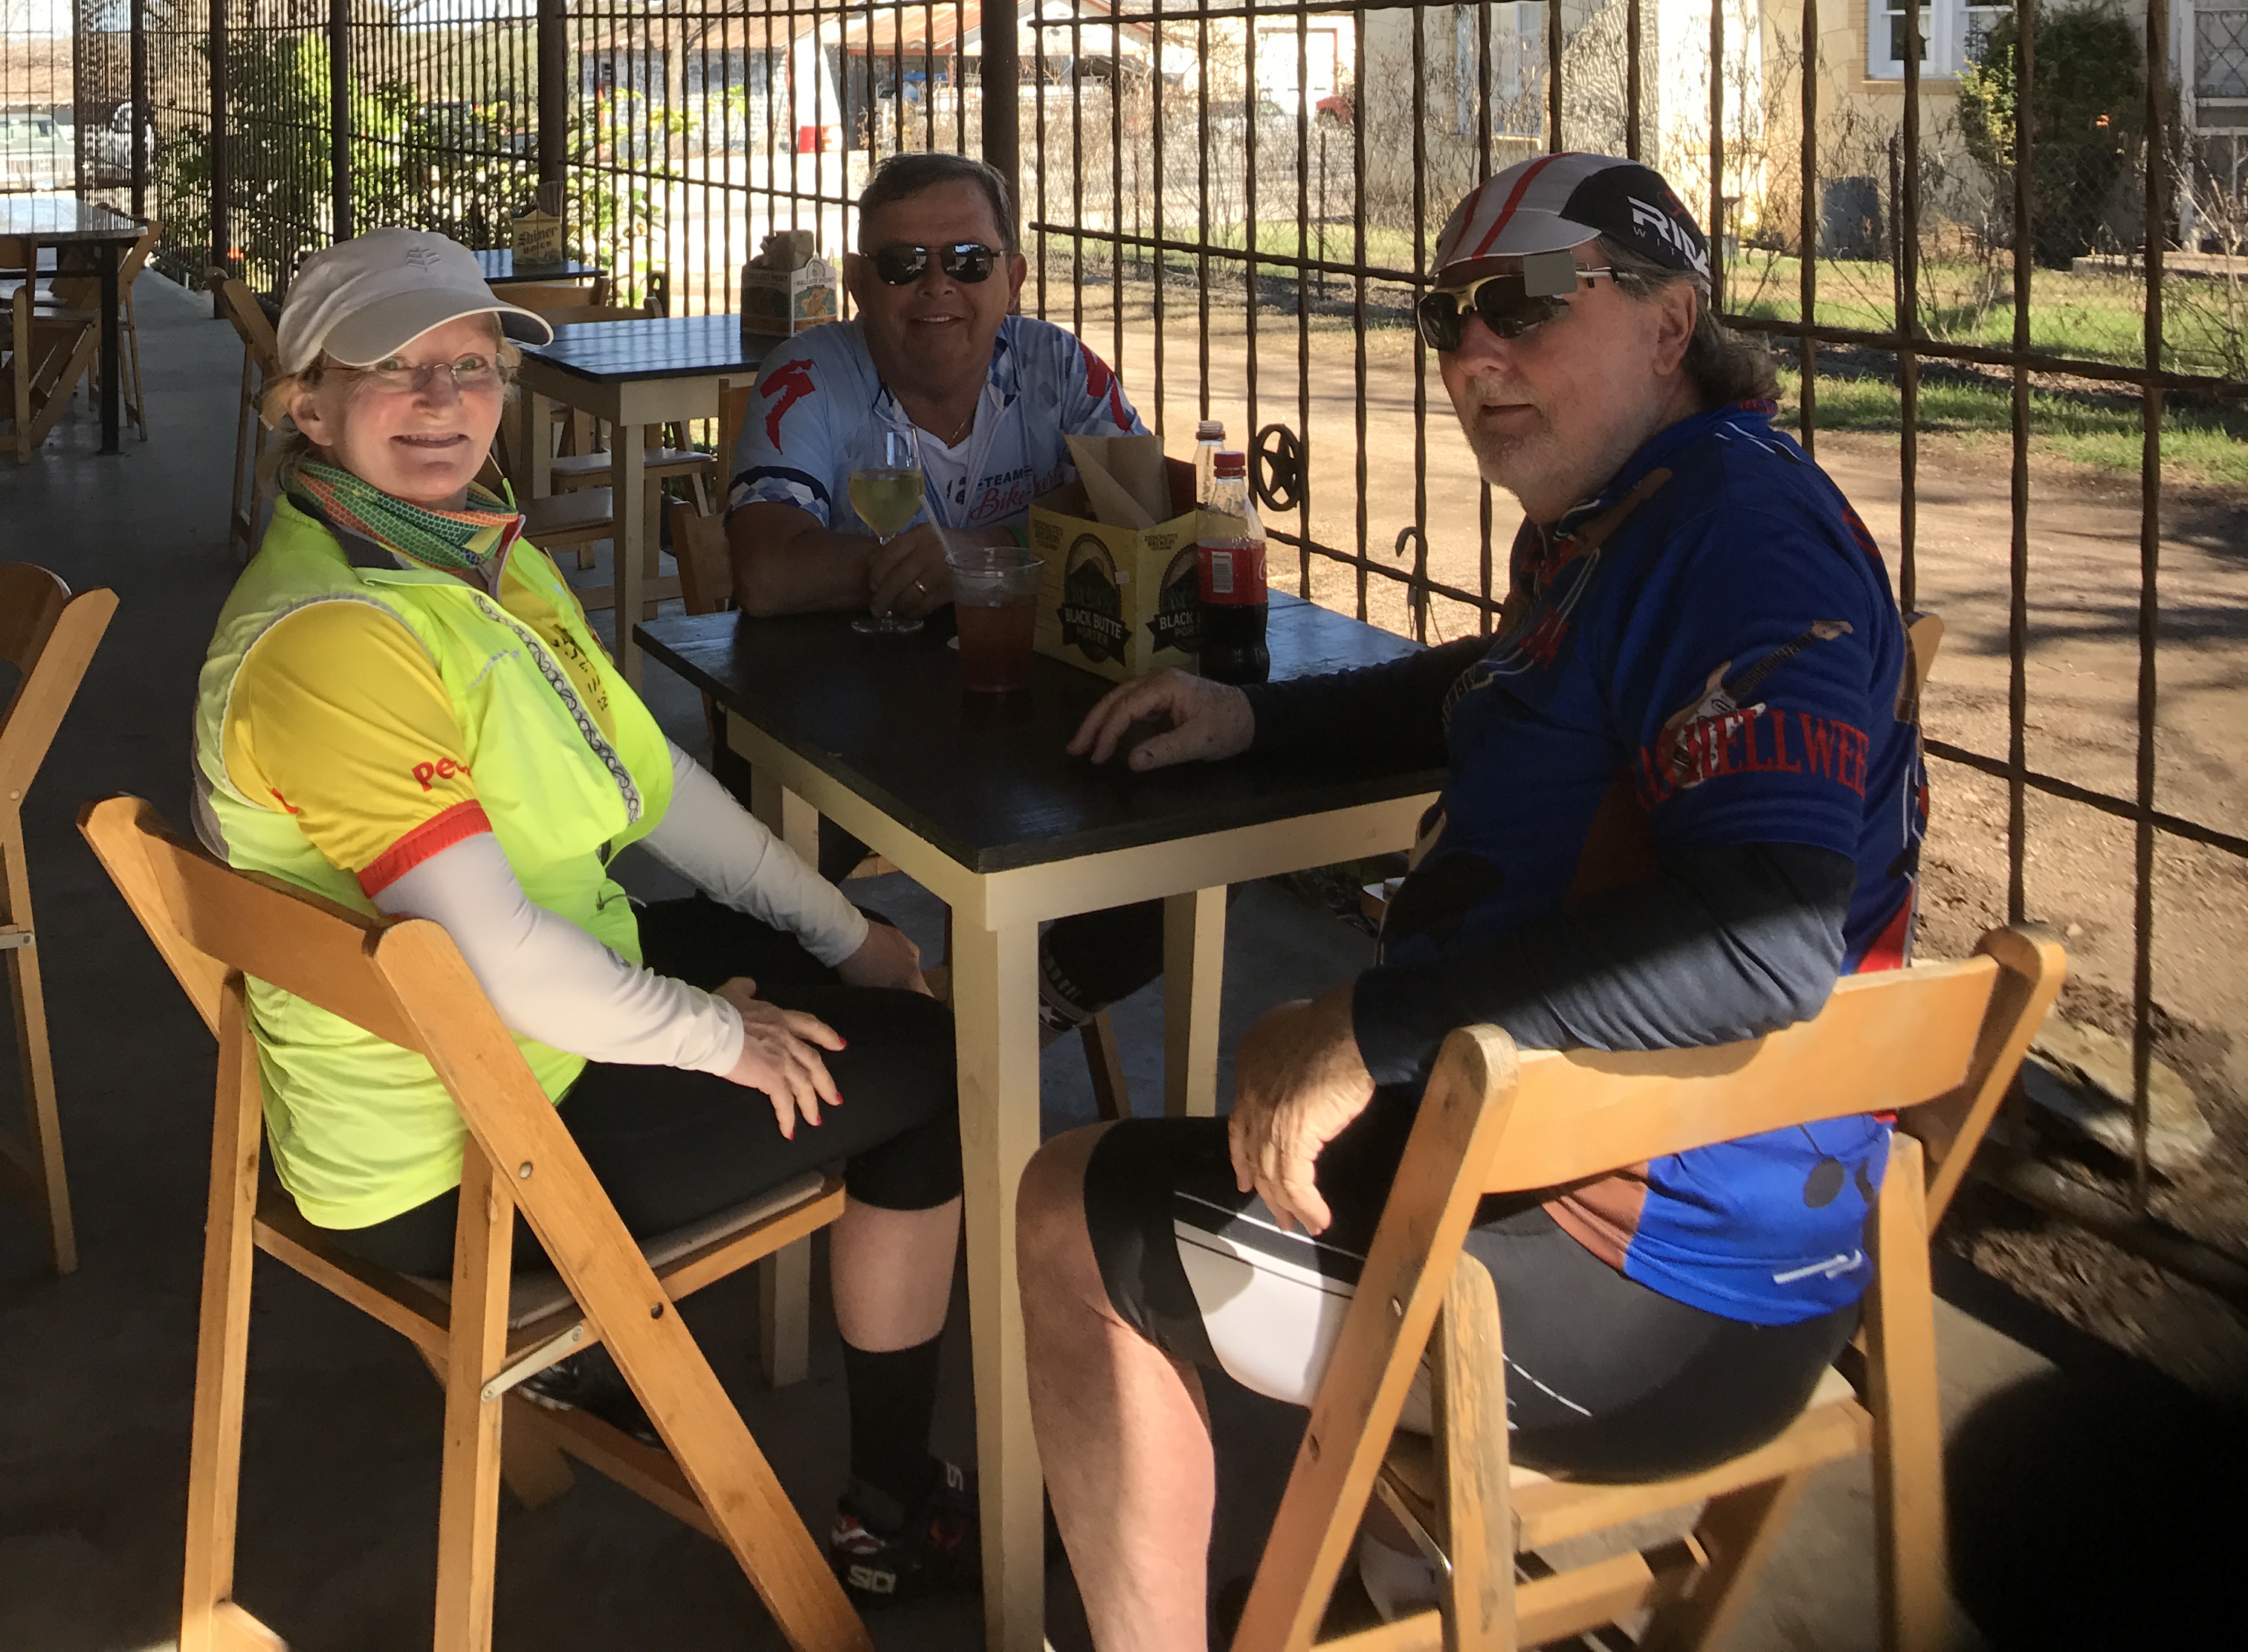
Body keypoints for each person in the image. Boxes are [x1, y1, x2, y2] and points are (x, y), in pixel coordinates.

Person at [1016, 152, 1928, 1652]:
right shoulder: (1633, 509)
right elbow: (1500, 680)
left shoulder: (1737, 538)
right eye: (1447, 315)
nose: (1473, 352)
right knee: (1285, 1132)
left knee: (1066, 1208)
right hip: (1659, 1196)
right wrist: (1255, 719)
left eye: (1527, 301)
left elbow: (1766, 930)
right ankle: (1405, 1595)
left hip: (1646, 1297)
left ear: (1670, 321)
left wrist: (1366, 1026)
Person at [193, 228, 972, 1604]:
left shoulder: (468, 556)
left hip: (505, 1031)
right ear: (306, 406)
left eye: (472, 366)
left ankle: (617, 1357)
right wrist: (716, 1036)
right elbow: (488, 955)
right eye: (394, 369)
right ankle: (893, 1514)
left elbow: (653, 777)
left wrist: (842, 934)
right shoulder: (334, 634)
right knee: (929, 1073)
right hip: (461, 1151)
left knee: (832, 975)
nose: (443, 400)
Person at [727, 151, 1165, 1035]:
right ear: (859, 283)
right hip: (845, 737)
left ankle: (1008, 1025)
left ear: (1014, 276)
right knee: (767, 887)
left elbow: (1147, 523)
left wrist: (978, 554)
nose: (937, 288)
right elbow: (766, 571)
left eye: (968, 261)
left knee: (1185, 816)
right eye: (902, 264)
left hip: (1031, 722)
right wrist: (908, 569)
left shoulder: (1064, 371)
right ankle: (859, 1060)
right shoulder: (807, 377)